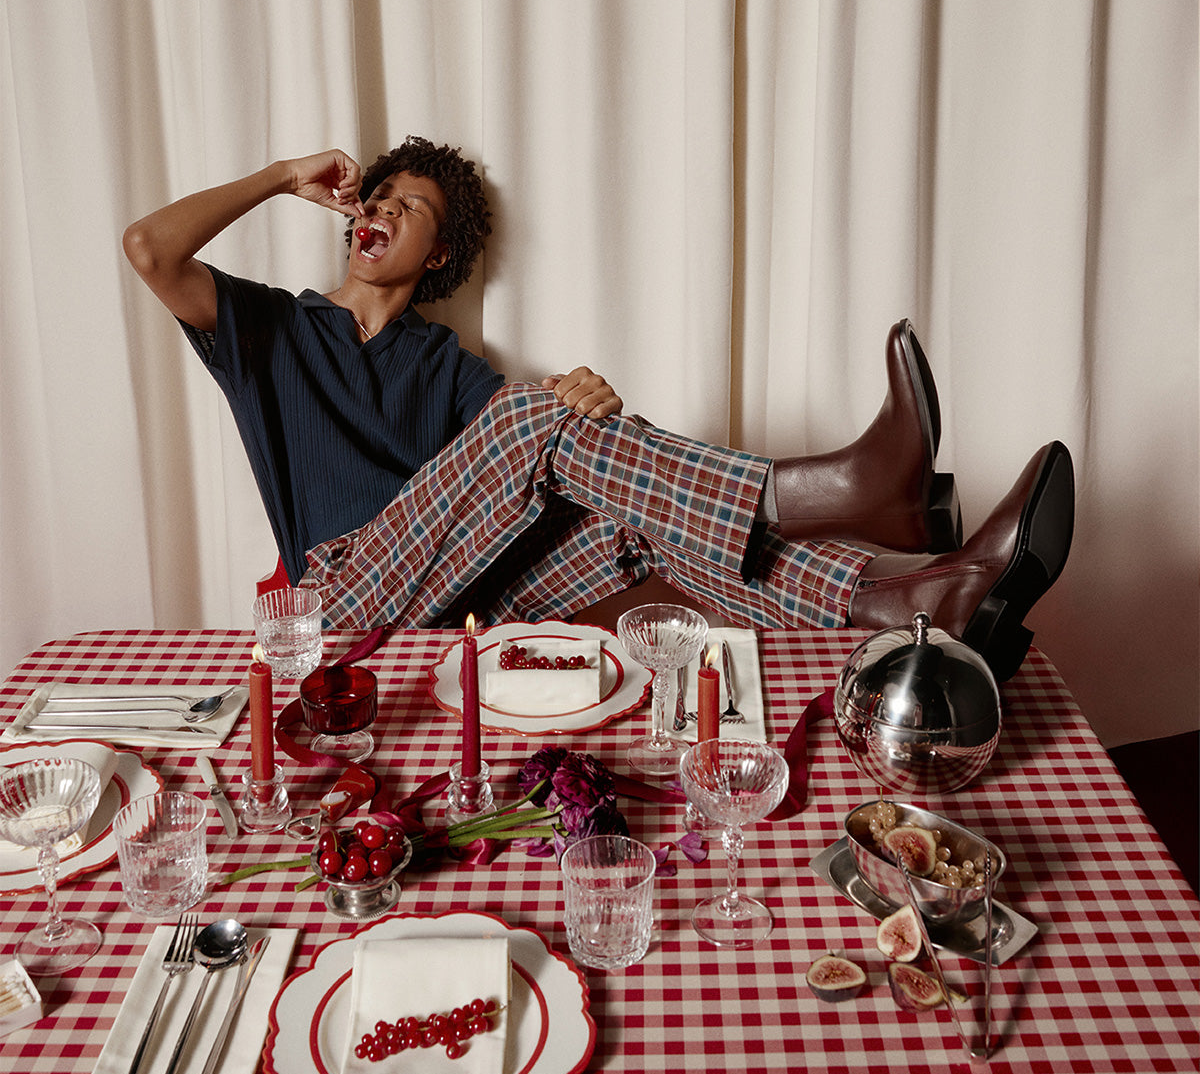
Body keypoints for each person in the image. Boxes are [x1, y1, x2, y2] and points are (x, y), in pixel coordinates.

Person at [123, 137, 1074, 681]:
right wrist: (284, 177)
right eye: (373, 196)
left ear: (440, 258)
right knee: (538, 419)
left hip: (456, 606)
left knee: (637, 514)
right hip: (337, 608)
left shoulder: (443, 364)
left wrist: (584, 415)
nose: (377, 208)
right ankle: (856, 488)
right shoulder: (275, 332)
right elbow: (149, 249)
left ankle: (911, 599)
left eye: (407, 207)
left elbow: (548, 457)